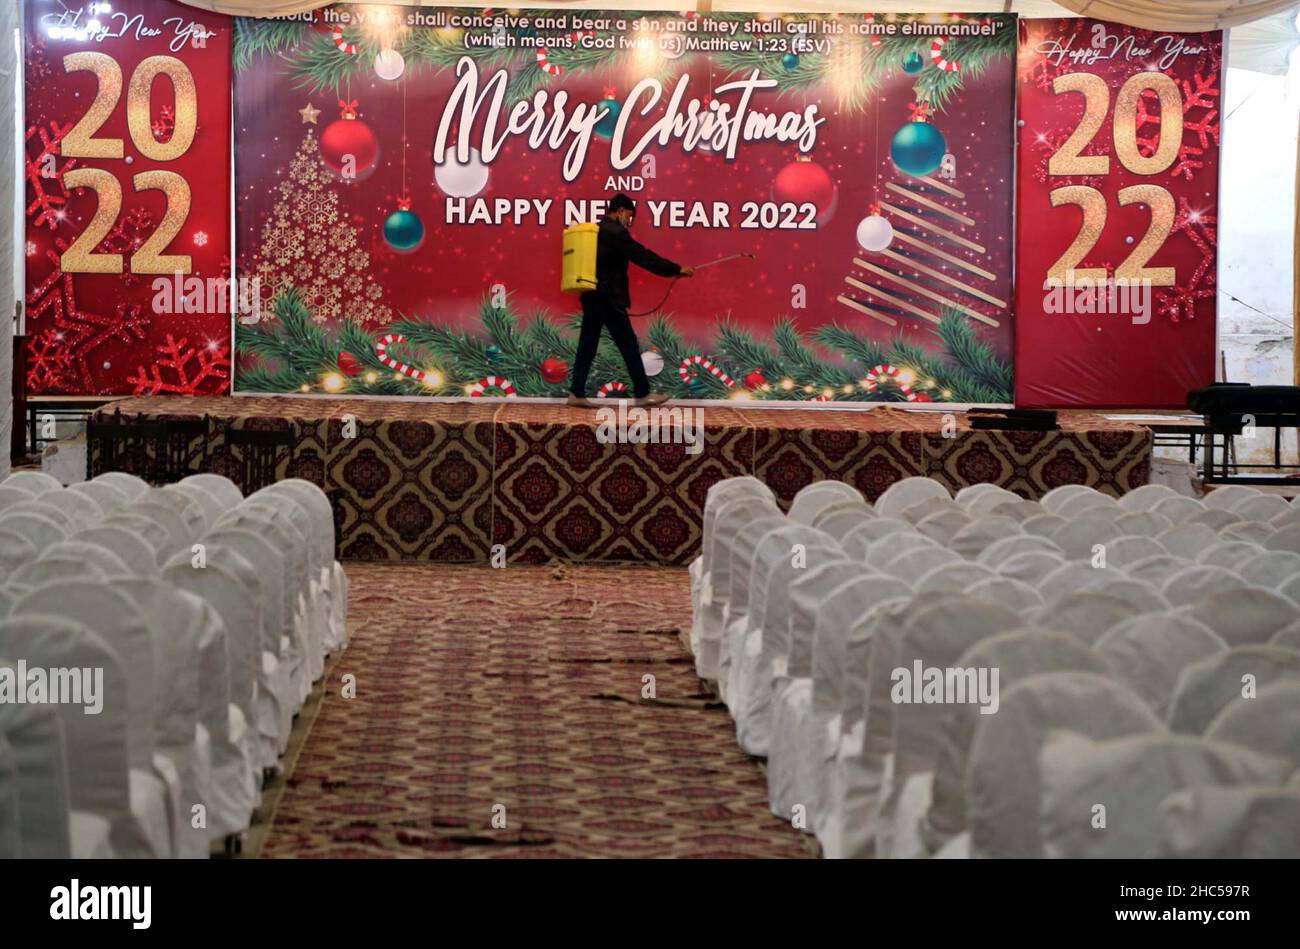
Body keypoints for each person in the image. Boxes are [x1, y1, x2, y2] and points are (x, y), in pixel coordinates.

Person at [568, 193, 693, 407]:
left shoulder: (598, 230)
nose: (629, 221)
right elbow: (643, 256)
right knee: (628, 344)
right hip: (608, 297)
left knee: (588, 344)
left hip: (591, 295)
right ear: (620, 211)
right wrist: (676, 269)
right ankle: (643, 394)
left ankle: (576, 393)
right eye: (629, 216)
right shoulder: (616, 232)